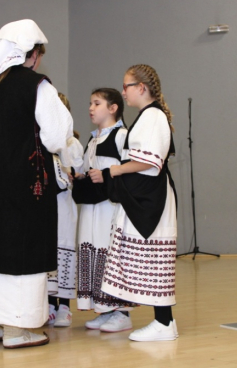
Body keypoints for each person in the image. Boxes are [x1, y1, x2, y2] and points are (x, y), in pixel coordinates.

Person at [0, 19, 73, 349]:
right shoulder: (38, 85)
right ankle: (17, 329)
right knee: (23, 246)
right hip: (24, 181)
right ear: (34, 55)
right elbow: (55, 138)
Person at [91, 64, 178, 341]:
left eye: (127, 86)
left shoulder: (153, 116)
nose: (124, 91)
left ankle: (165, 324)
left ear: (141, 88)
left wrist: (114, 170)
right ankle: (164, 322)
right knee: (147, 258)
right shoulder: (148, 116)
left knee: (154, 259)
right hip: (147, 195)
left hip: (152, 198)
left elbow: (149, 160)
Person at [73, 88, 134, 332]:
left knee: (111, 254)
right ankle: (103, 307)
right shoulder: (93, 138)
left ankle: (123, 312)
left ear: (113, 108)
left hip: (111, 209)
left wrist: (106, 176)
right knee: (94, 251)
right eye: (90, 103)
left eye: (96, 103)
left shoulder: (122, 136)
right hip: (92, 210)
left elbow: (131, 170)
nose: (90, 107)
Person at [46, 93, 83, 327]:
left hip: (63, 205)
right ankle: (49, 303)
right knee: (47, 252)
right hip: (45, 206)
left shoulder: (72, 143)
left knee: (64, 249)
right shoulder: (38, 141)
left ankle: (65, 307)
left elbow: (77, 172)